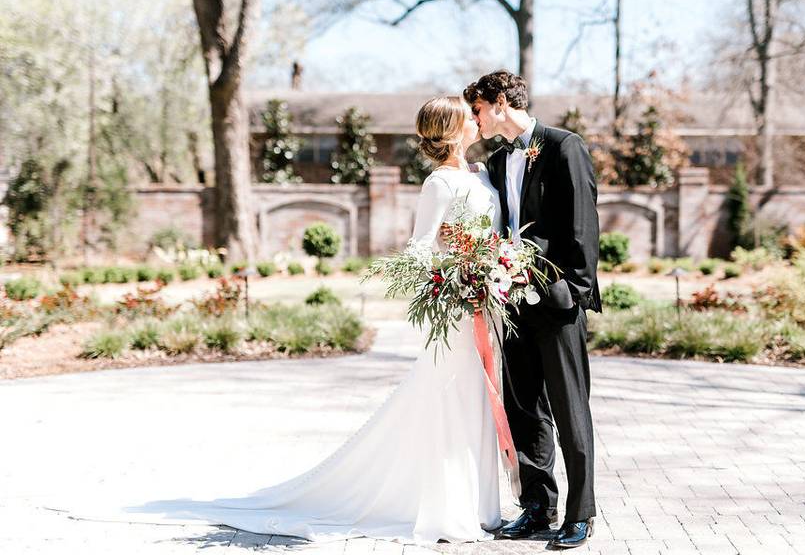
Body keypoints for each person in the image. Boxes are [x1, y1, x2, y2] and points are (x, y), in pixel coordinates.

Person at [51, 96, 505, 545]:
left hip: (487, 306)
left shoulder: (480, 175)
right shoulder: (439, 185)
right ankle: (448, 509)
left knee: (479, 401)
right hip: (456, 311)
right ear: (452, 129)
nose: (475, 119)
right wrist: (455, 275)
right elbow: (420, 248)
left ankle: (481, 505)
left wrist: (496, 265)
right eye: (468, 116)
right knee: (450, 402)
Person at [464, 70, 601, 549]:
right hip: (512, 302)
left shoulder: (564, 146)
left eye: (478, 109)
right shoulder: (499, 161)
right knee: (524, 409)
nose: (474, 119)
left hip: (558, 302)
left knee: (569, 409)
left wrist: (574, 291)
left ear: (500, 102)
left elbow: (583, 223)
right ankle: (538, 507)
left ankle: (581, 514)